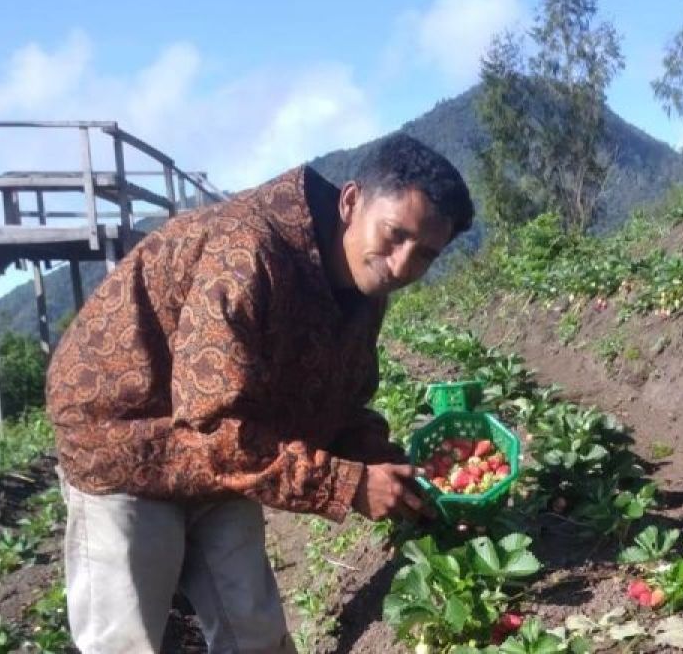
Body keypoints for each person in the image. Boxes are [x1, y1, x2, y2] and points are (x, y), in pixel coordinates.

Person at [46, 133, 474, 653]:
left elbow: (336, 402)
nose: (403, 264)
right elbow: (211, 425)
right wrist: (347, 485)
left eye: (424, 255)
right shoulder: (247, 251)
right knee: (127, 637)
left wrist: (387, 466)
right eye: (394, 235)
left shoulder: (363, 289)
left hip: (223, 447)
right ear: (351, 201)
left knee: (252, 626)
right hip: (125, 438)